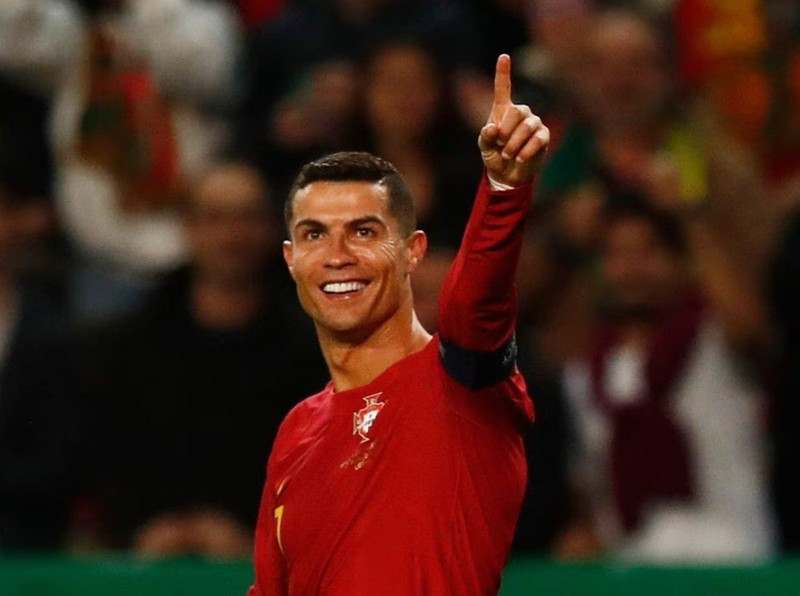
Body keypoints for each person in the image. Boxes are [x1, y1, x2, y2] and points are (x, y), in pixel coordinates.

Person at [248, 54, 549, 595]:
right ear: (291, 258)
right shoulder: (296, 429)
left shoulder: (463, 387)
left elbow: (476, 304)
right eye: (315, 235)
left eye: (364, 232)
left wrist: (502, 192)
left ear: (413, 251)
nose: (337, 256)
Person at [87, 163, 327, 555]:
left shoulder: (312, 342)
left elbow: (317, 469)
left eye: (247, 218)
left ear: (273, 229)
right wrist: (145, 529)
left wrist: (255, 537)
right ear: (189, 228)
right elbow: (109, 454)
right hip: (148, 550)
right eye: (215, 218)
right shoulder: (132, 341)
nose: (232, 235)